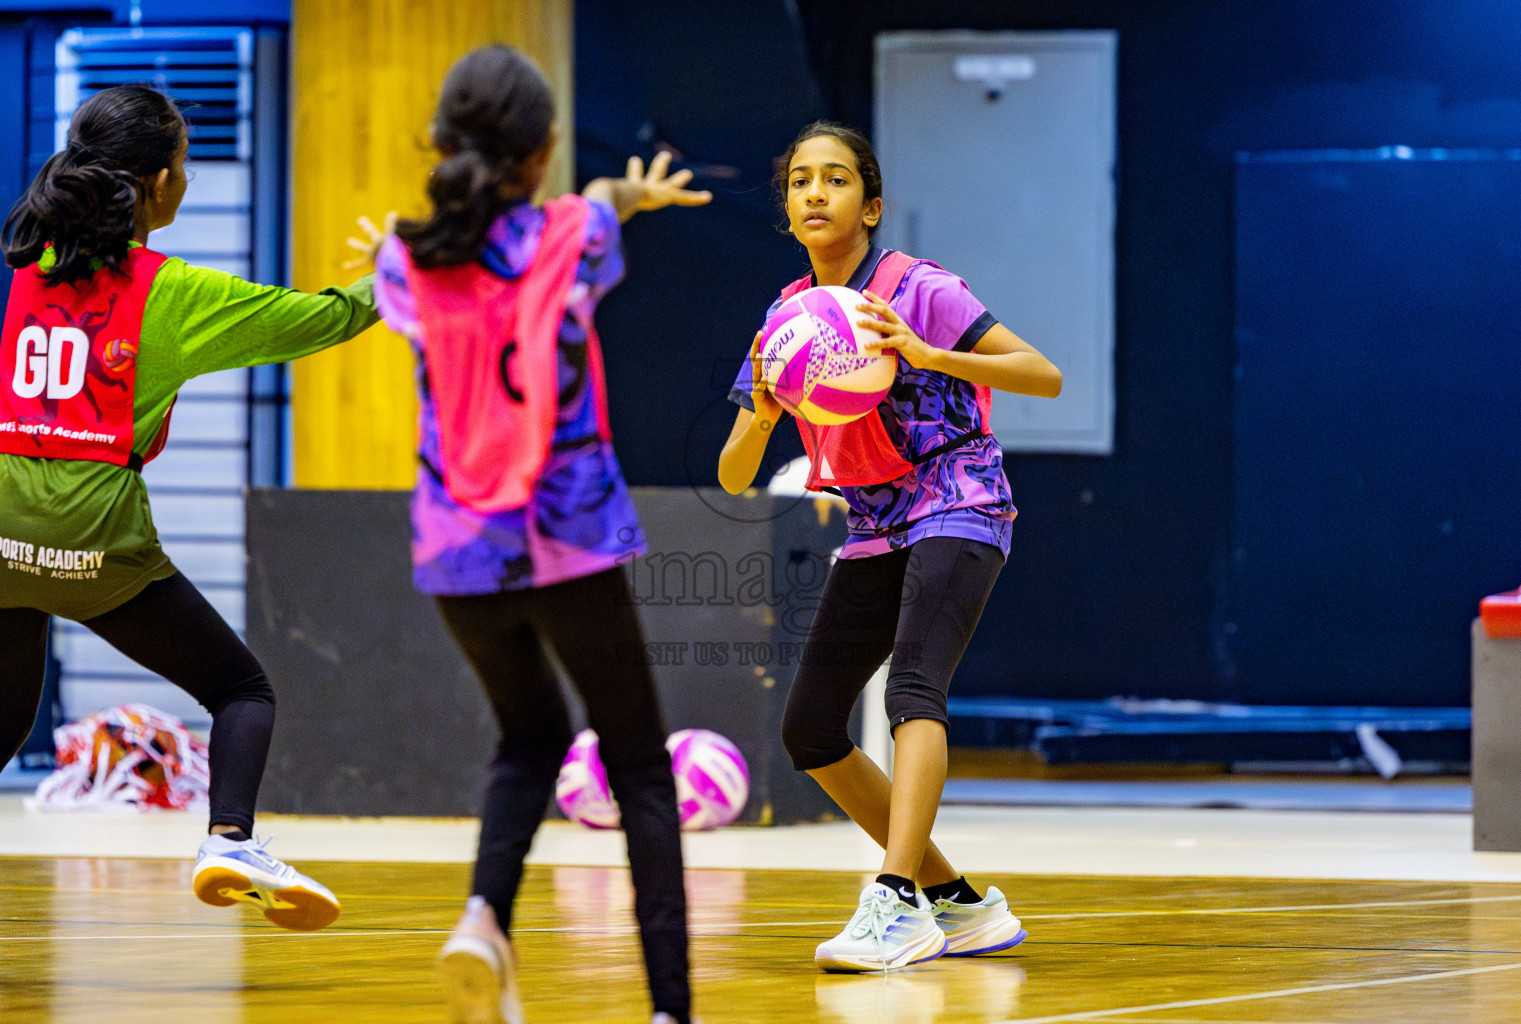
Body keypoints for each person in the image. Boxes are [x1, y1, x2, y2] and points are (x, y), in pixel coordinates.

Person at [367, 45, 710, 1024]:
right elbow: (596, 209)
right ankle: (670, 1011)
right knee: (638, 762)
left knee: (528, 739)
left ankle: (483, 914)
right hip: (565, 535)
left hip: (456, 550)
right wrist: (624, 193)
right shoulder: (576, 236)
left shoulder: (402, 259)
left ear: (443, 141)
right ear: (541, 150)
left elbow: (424, 270)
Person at [0, 84, 380, 931]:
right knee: (242, 690)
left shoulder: (31, 263)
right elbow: (315, 319)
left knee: (5, 717)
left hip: (1, 527)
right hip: (91, 531)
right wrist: (393, 275)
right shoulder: (166, 292)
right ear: (159, 183)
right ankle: (231, 839)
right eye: (185, 167)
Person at [717, 121, 1063, 972]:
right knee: (809, 730)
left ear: (870, 206)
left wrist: (925, 351)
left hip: (959, 499)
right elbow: (732, 476)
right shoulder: (786, 322)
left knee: (914, 690)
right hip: (876, 525)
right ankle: (962, 905)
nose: (814, 194)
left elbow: (1042, 373)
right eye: (800, 181)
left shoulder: (919, 287)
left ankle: (897, 898)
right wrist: (762, 413)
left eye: (834, 180)